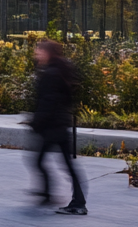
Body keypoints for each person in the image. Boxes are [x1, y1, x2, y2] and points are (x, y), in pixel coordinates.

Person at [28, 38, 86, 216]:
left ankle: (75, 202)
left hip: (53, 127)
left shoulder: (51, 73)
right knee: (66, 165)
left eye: (38, 51)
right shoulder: (59, 71)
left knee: (43, 162)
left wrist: (37, 122)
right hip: (60, 124)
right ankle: (71, 200)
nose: (36, 54)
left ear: (47, 53)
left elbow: (48, 102)